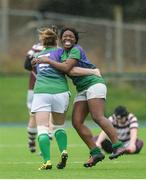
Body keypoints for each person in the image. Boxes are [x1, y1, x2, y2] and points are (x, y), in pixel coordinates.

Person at [37, 27, 126, 168]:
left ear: (75, 40)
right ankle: (95, 151)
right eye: (65, 36)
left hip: (94, 84)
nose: (68, 38)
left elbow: (67, 69)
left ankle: (118, 145)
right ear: (60, 40)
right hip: (82, 89)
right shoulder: (60, 54)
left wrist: (47, 61)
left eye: (71, 36)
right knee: (76, 122)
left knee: (97, 116)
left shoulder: (76, 50)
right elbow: (62, 66)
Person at [31, 26, 101, 170]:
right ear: (57, 40)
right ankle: (63, 150)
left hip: (42, 92)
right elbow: (68, 67)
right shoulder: (62, 52)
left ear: (42, 42)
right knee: (59, 126)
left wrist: (34, 63)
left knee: (43, 128)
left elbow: (34, 70)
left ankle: (47, 161)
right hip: (60, 92)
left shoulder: (38, 57)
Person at [24, 43, 43, 153]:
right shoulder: (57, 50)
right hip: (50, 87)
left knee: (33, 115)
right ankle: (45, 145)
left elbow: (26, 65)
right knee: (49, 116)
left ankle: (31, 140)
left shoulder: (35, 48)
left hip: (33, 87)